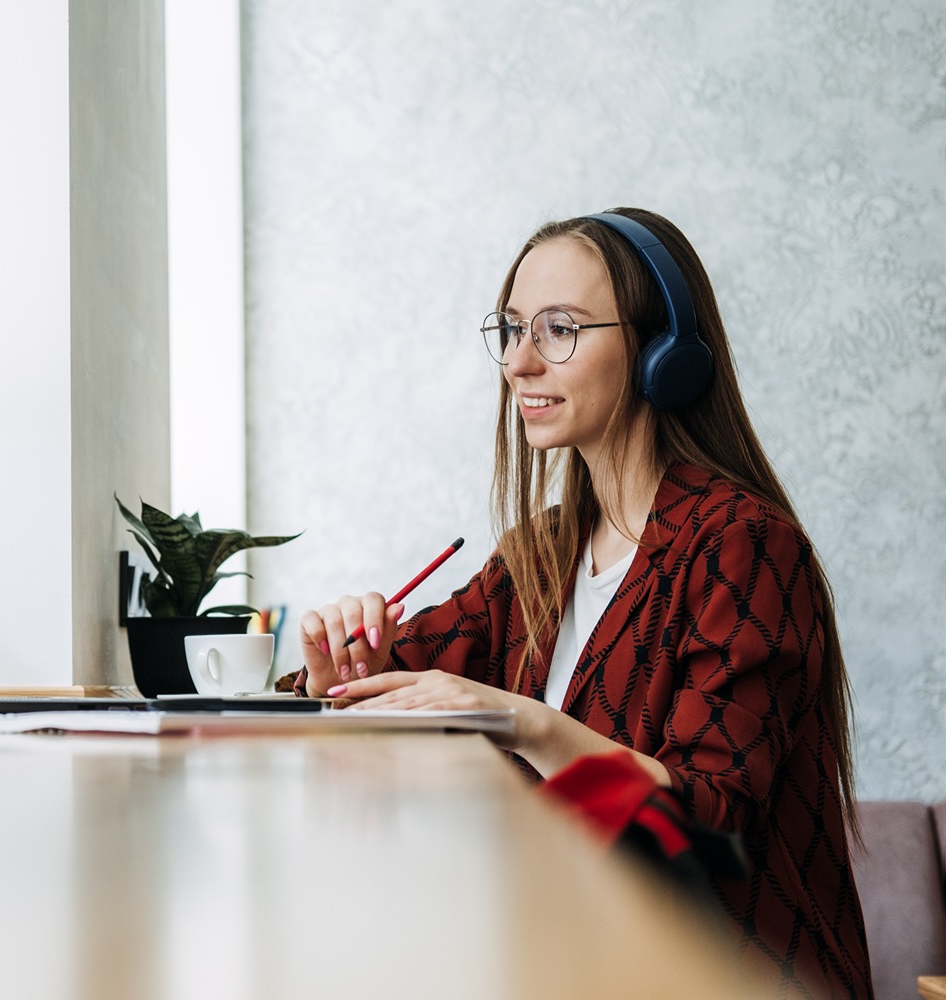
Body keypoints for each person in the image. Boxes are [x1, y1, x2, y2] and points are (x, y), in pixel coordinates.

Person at [291, 208, 872, 999]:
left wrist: (524, 723)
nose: (519, 363)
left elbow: (708, 822)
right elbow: (410, 681)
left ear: (662, 353)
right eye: (511, 329)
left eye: (558, 329)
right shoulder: (542, 554)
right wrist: (346, 669)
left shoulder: (745, 546)